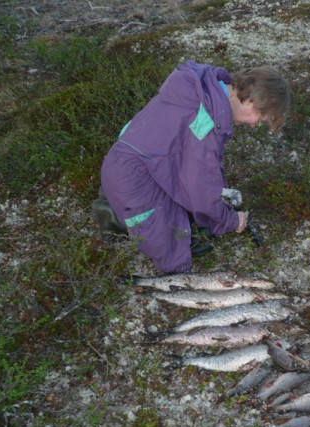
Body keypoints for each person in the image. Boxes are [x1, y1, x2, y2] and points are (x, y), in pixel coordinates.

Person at [92, 60, 289, 273]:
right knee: (175, 258)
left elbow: (202, 170)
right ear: (251, 100)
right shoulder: (206, 120)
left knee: (191, 219)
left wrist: (219, 207)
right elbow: (200, 189)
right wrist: (230, 220)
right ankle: (118, 217)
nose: (253, 124)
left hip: (133, 164)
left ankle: (120, 206)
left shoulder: (204, 93)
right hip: (134, 180)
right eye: (260, 118)